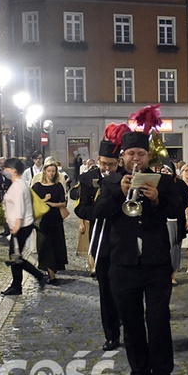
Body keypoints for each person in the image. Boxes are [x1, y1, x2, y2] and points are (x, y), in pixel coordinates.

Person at [92, 119, 183, 375]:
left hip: (156, 265)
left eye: (141, 154)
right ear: (123, 156)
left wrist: (157, 200)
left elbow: (178, 211)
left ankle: (163, 374)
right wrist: (119, 193)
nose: (136, 158)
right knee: (131, 324)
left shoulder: (164, 182)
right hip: (123, 264)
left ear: (147, 157)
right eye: (131, 154)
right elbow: (96, 212)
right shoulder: (109, 183)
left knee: (158, 320)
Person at [74, 131, 125, 351]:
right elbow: (80, 207)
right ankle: (111, 334)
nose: (106, 169)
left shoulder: (126, 176)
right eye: (104, 163)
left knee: (124, 289)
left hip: (124, 241)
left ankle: (126, 321)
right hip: (102, 240)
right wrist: (97, 211)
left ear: (118, 162)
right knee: (105, 290)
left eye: (111, 165)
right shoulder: (88, 178)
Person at [0, 157, 47, 295]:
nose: (4, 171)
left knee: (15, 257)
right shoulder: (17, 184)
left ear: (13, 170)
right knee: (15, 257)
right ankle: (18, 285)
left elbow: (20, 207)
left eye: (5, 168)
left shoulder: (19, 186)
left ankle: (35, 277)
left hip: (20, 226)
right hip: (20, 225)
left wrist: (16, 226)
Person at [31, 156, 68, 285]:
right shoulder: (37, 186)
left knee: (55, 245)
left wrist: (53, 204)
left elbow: (63, 203)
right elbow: (31, 202)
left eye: (53, 171)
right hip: (42, 221)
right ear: (44, 172)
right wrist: (45, 200)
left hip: (56, 220)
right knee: (44, 246)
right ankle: (50, 274)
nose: (51, 173)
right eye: (49, 171)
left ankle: (51, 273)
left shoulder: (58, 186)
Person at [0, 156, 12, 236]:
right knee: (3, 212)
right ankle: (6, 229)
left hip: (10, 194)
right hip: (2, 194)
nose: (2, 165)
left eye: (4, 163)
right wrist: (0, 185)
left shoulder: (10, 172)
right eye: (1, 163)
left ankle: (11, 228)